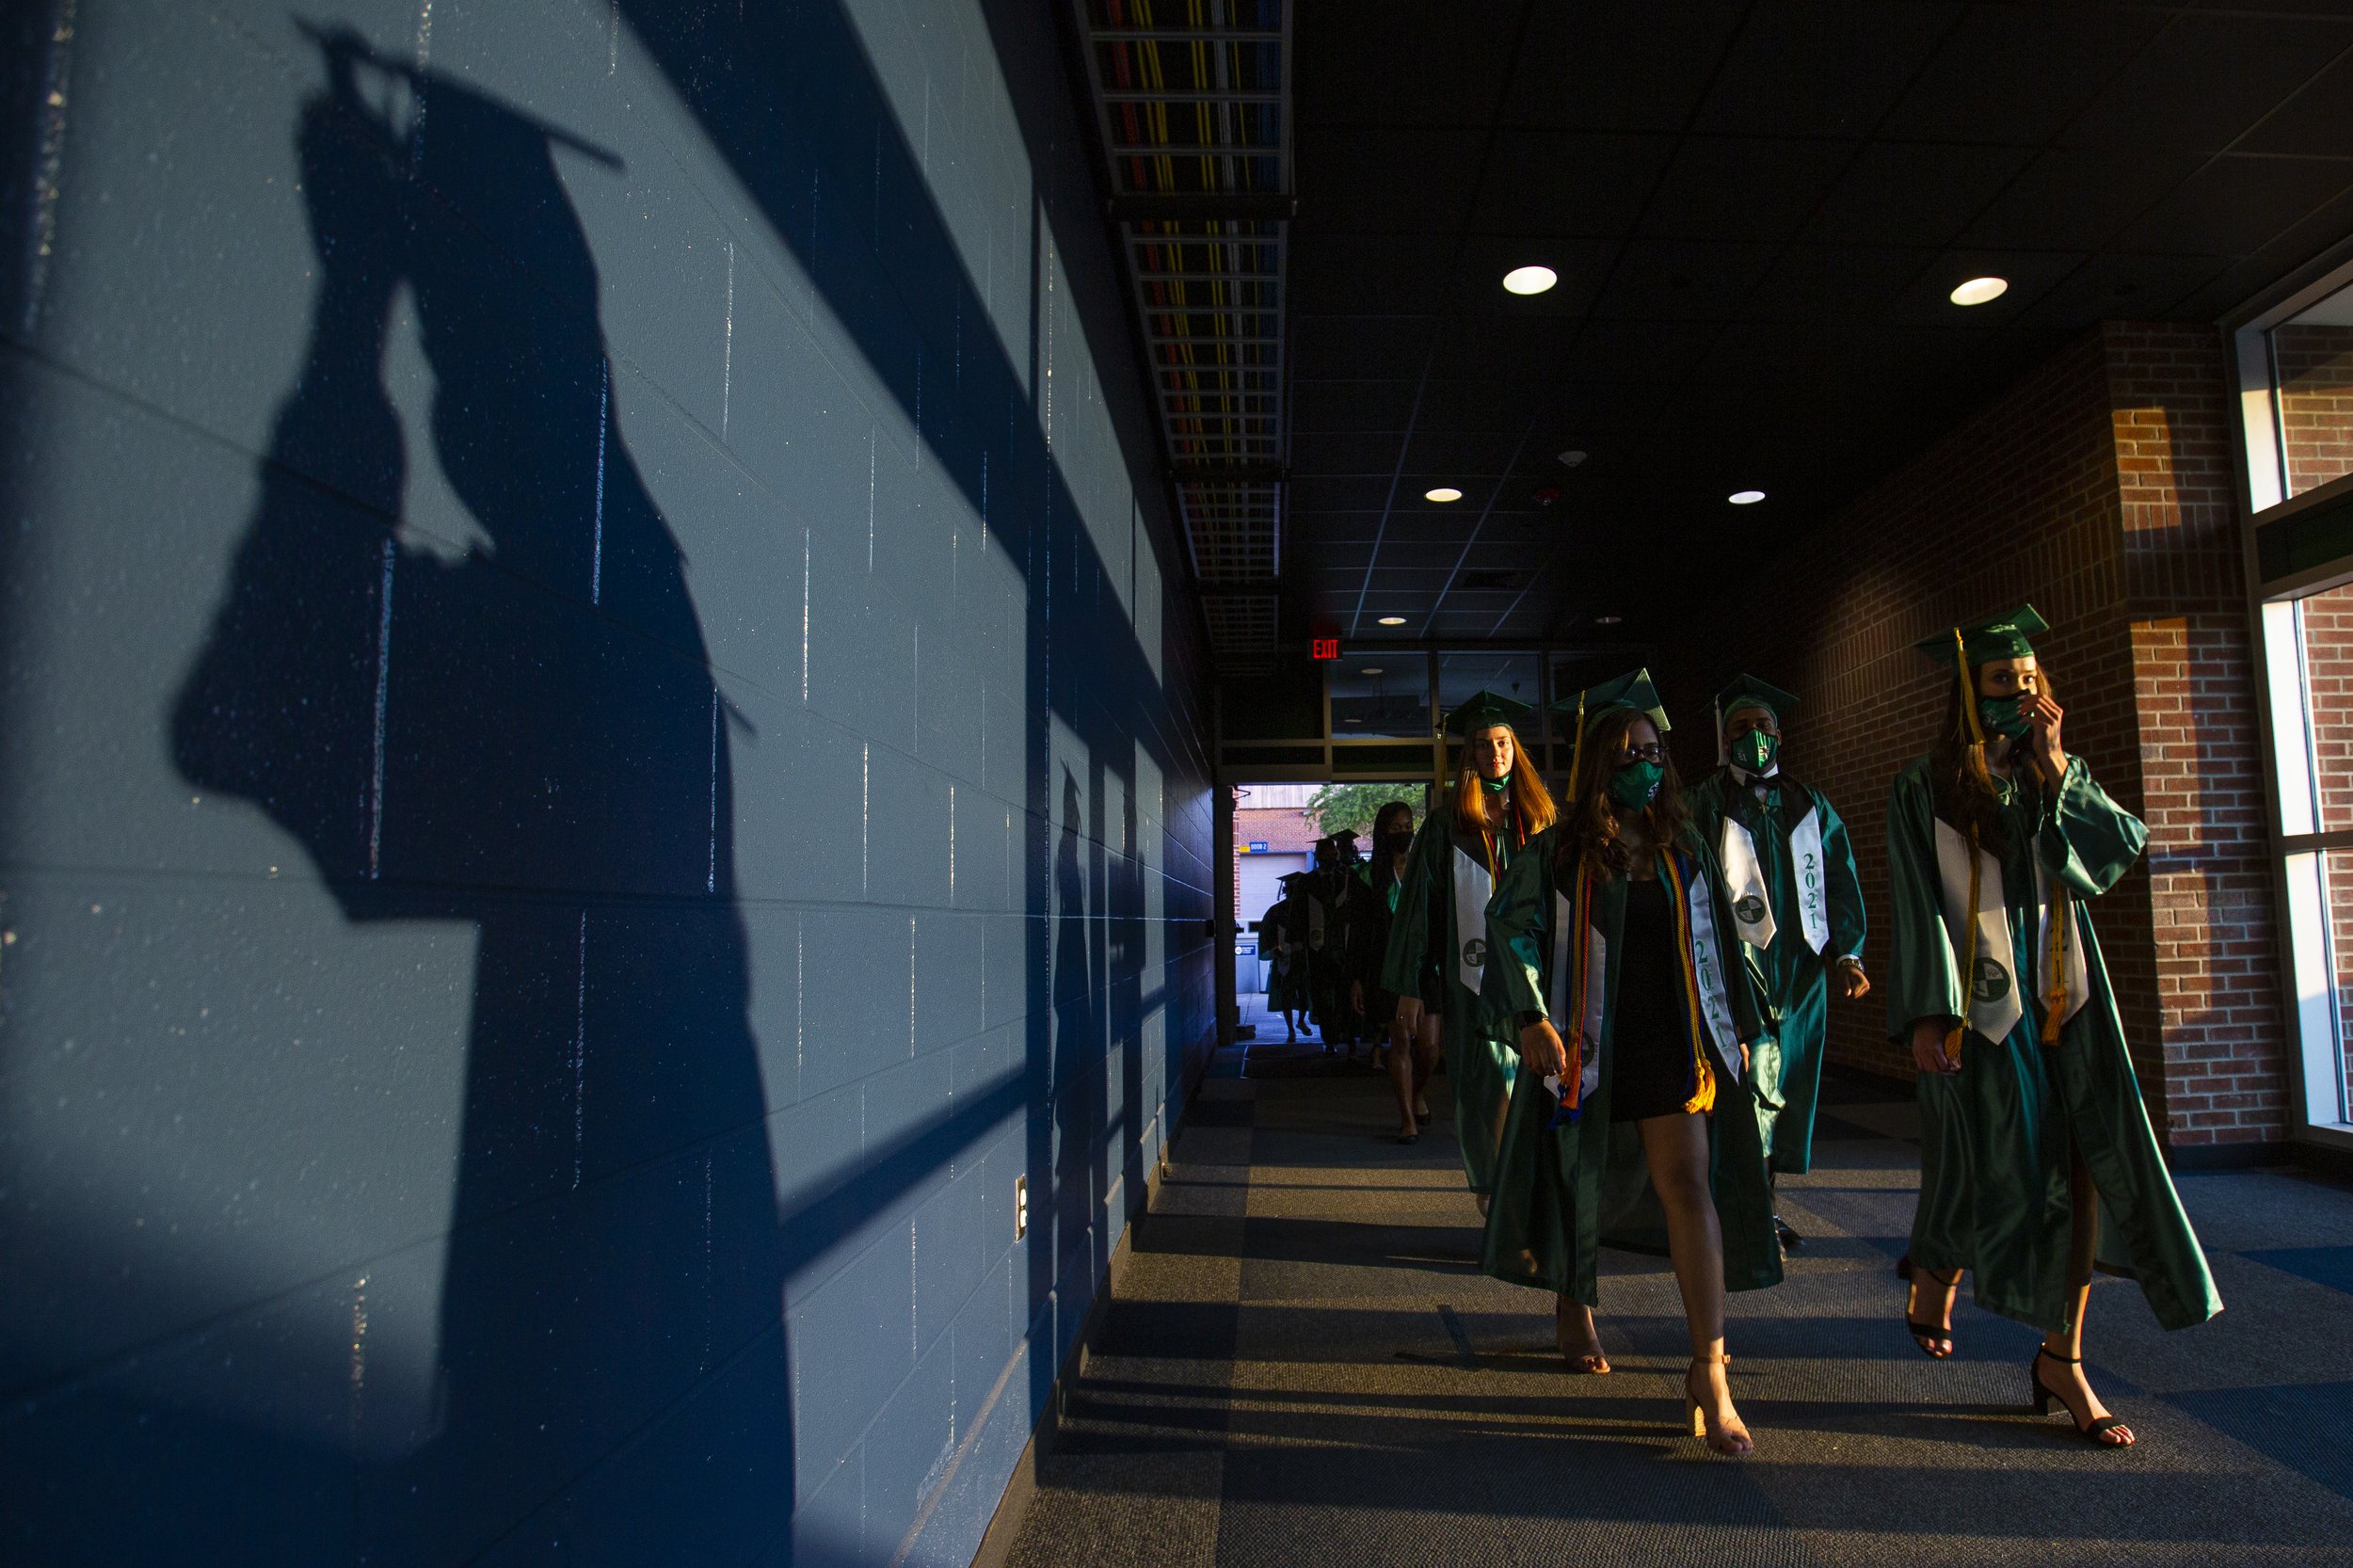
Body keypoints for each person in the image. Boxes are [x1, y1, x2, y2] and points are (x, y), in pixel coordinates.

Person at [1887, 606, 2219, 1446]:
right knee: (1985, 1159)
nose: (2022, 696)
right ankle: (1937, 1264)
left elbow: (2112, 855)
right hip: (1981, 1005)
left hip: (2067, 1001)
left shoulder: (2052, 773)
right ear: (1970, 691)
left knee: (2081, 1174)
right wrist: (1931, 1010)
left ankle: (2061, 1359)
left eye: (2031, 682)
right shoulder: (1922, 785)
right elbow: (1919, 901)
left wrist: (2058, 765)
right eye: (2005, 683)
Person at [1482, 669, 1773, 1455]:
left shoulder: (1683, 850)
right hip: (1589, 1041)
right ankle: (1574, 1303)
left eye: (1653, 751)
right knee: (1578, 1184)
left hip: (1675, 1045)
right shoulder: (1559, 854)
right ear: (1598, 767)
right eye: (1628, 753)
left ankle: (1710, 1370)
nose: (1646, 765)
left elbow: (1724, 950)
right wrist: (1531, 1014)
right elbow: (1510, 930)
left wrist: (1740, 1028)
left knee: (1691, 1187)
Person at [1686, 676, 1870, 1249]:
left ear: (1780, 734)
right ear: (1723, 740)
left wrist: (1848, 952)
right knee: (1744, 1085)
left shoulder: (1808, 804)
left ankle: (1761, 1202)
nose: (1753, 738)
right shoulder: (1702, 801)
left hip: (1799, 971)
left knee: (1784, 1085)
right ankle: (1744, 1210)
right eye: (1740, 729)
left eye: (1762, 727)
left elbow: (1837, 880)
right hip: (1730, 967)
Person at [1384, 692, 1557, 1201]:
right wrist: (1412, 986)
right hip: (1472, 982)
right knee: (1484, 1089)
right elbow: (1419, 911)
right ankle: (1492, 1192)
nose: (1494, 752)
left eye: (1502, 742)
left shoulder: (1542, 817)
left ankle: (1531, 1195)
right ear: (1470, 756)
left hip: (1537, 980)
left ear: (1515, 748)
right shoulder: (1446, 825)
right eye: (1483, 744)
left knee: (1537, 1087)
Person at [1356, 800, 1436, 1141]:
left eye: (1408, 826)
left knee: (1430, 1047)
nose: (1404, 833)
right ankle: (1407, 1120)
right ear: (1383, 832)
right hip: (1386, 967)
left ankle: (1418, 1093)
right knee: (1400, 1038)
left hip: (1425, 965)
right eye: (1396, 828)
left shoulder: (1426, 868)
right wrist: (1357, 978)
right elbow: (1359, 931)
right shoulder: (1367, 875)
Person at [1264, 872, 1312, 1042]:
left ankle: (1299, 1021)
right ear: (1286, 891)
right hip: (1284, 958)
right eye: (1291, 889)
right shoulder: (1276, 911)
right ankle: (1291, 1028)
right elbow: (1268, 933)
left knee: (1304, 993)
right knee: (1286, 994)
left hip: (1302, 957)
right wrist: (1273, 948)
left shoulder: (1308, 910)